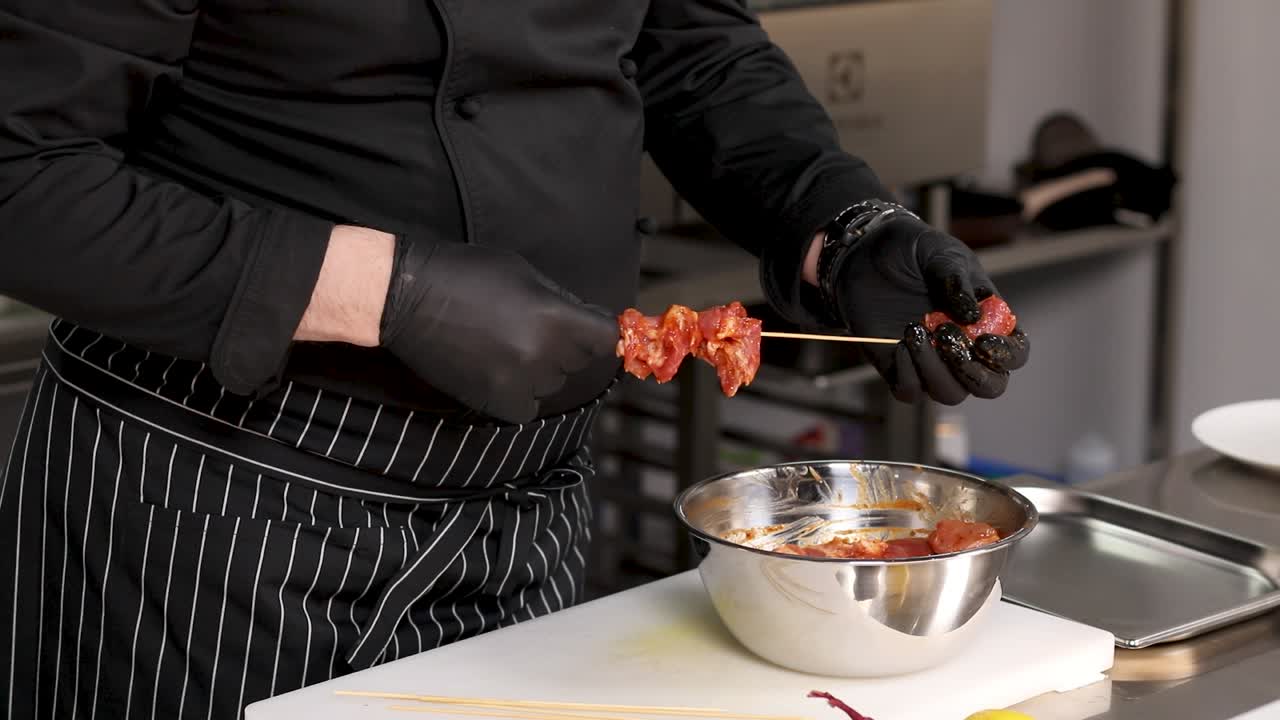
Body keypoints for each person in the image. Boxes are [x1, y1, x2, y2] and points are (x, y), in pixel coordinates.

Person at [0, 0, 1029, 717]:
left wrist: (837, 223)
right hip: (219, 505)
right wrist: (385, 292)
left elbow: (687, 42)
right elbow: (19, 171)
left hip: (528, 492)